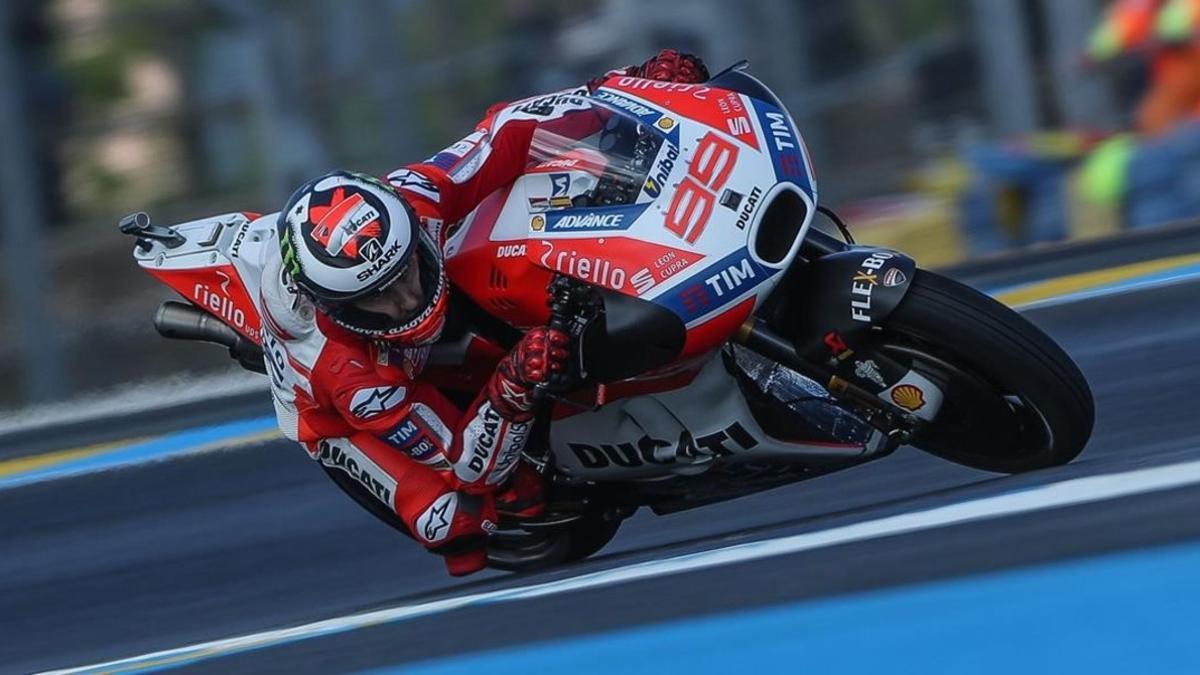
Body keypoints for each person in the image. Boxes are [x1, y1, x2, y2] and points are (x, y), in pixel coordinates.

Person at [258, 50, 709, 576]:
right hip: (341, 411)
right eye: (379, 297)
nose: (406, 301)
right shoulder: (352, 377)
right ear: (339, 305)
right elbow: (466, 465)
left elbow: (507, 132)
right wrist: (512, 387)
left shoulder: (414, 198)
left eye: (406, 272)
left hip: (414, 331)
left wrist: (630, 90)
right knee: (455, 519)